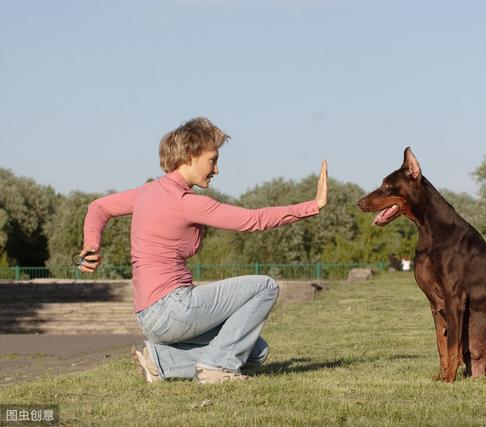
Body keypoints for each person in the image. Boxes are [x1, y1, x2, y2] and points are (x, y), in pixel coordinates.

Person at [77, 117, 328, 384]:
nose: (217, 169)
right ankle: (216, 369)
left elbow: (98, 207)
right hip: (173, 308)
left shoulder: (147, 192)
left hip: (149, 315)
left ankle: (160, 361)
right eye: (212, 160)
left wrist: (91, 246)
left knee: (255, 352)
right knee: (265, 286)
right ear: (190, 156)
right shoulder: (185, 202)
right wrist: (313, 205)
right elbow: (254, 220)